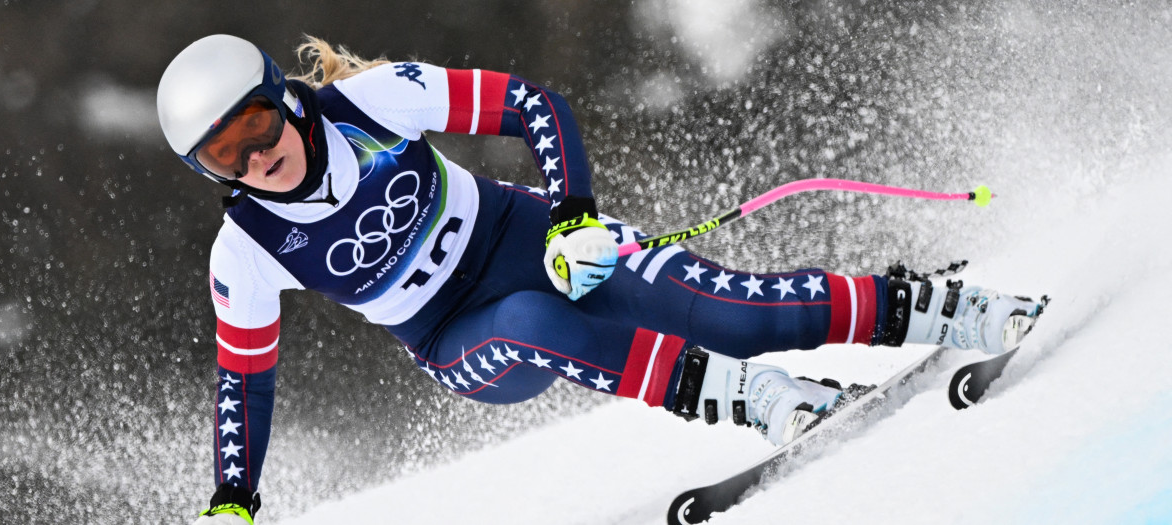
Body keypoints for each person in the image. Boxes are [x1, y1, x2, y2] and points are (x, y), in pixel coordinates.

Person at [156, 34, 1046, 524]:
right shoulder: (244, 251)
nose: (258, 157)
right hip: (460, 339)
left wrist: (575, 212)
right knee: (529, 321)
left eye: (258, 125)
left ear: (287, 96)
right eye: (224, 156)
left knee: (730, 309)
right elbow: (244, 381)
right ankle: (755, 399)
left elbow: (534, 105)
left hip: (529, 234)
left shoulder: (374, 102)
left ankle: (949, 308)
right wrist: (234, 498)